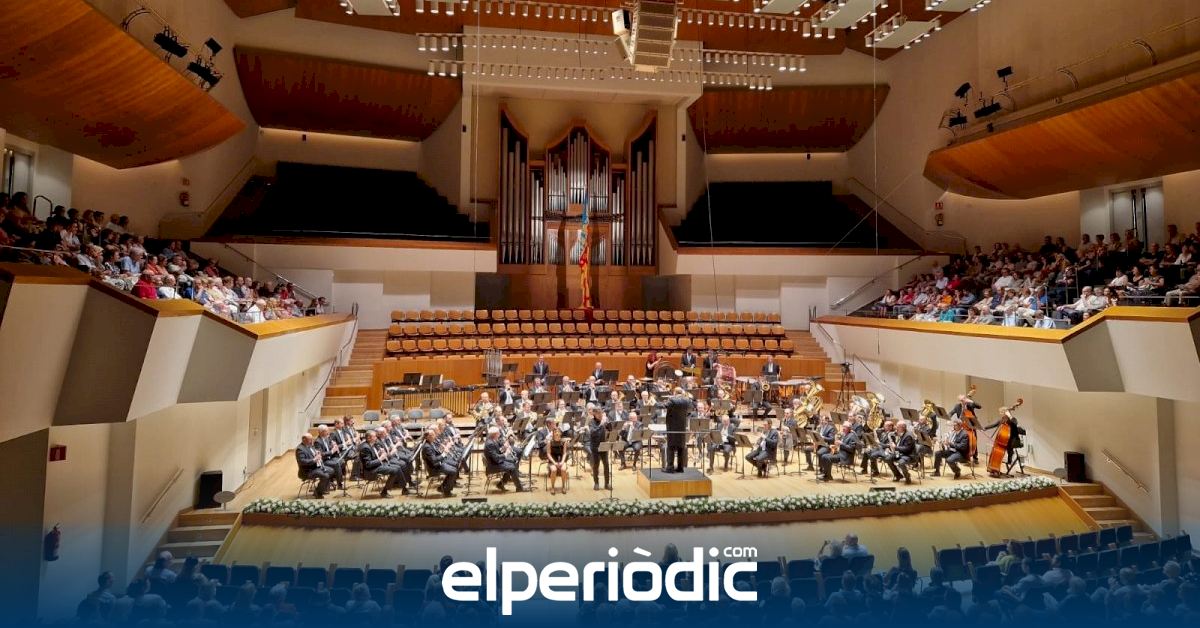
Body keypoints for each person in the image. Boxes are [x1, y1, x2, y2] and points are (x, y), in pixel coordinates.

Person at [982, 405, 1026, 473]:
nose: (1001, 414)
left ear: (1006, 413)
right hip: (1005, 440)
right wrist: (985, 428)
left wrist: (1010, 416)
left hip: (1014, 440)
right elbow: (994, 425)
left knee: (1008, 447)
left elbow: (1015, 423)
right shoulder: (1002, 420)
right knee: (998, 449)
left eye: (1001, 413)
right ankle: (994, 467)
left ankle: (1009, 460)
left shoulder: (1013, 419)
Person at [484, 426, 525, 492]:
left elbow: (498, 451)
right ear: (495, 434)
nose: (499, 434)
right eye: (498, 433)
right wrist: (505, 454)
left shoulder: (493, 440)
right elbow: (496, 458)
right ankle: (519, 488)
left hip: (495, 462)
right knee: (512, 467)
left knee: (512, 463)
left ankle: (501, 484)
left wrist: (504, 448)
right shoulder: (490, 444)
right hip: (493, 466)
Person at [295, 433, 333, 498]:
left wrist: (317, 453)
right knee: (325, 475)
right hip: (307, 471)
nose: (312, 441)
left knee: (331, 470)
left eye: (312, 439)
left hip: (315, 467)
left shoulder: (310, 445)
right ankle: (318, 493)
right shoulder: (300, 449)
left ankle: (322, 488)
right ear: (304, 440)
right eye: (310, 439)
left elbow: (313, 454)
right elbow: (302, 462)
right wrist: (314, 459)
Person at [664, 387, 692, 472]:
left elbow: (664, 406)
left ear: (675, 392)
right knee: (681, 447)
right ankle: (680, 468)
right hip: (682, 427)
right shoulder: (687, 400)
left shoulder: (672, 400)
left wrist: (659, 402)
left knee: (671, 447)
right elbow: (690, 410)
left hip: (672, 427)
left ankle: (670, 467)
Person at [587, 405, 612, 490]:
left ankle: (607, 483)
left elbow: (610, 429)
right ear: (594, 414)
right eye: (598, 413)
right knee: (596, 465)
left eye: (601, 413)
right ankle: (596, 483)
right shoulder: (591, 422)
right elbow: (593, 433)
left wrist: (608, 422)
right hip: (595, 446)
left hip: (604, 445)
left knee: (606, 465)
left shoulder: (604, 420)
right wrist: (601, 425)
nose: (600, 415)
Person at [546, 427, 569, 494]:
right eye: (555, 432)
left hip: (561, 460)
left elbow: (564, 453)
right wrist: (554, 463)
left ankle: (563, 486)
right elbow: (548, 454)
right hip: (553, 460)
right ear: (553, 433)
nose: (557, 433)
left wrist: (562, 462)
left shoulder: (564, 442)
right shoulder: (549, 442)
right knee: (554, 470)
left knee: (563, 469)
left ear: (560, 433)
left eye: (558, 432)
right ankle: (552, 487)